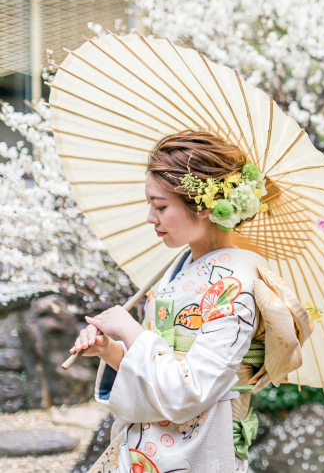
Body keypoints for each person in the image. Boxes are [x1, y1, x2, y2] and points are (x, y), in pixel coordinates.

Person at [71, 131, 271, 473]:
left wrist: (130, 331)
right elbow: (160, 361)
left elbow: (188, 389)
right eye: (150, 205)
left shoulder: (237, 284)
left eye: (161, 206)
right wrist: (112, 351)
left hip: (198, 445)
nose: (151, 218)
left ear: (205, 205)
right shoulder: (178, 267)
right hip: (151, 444)